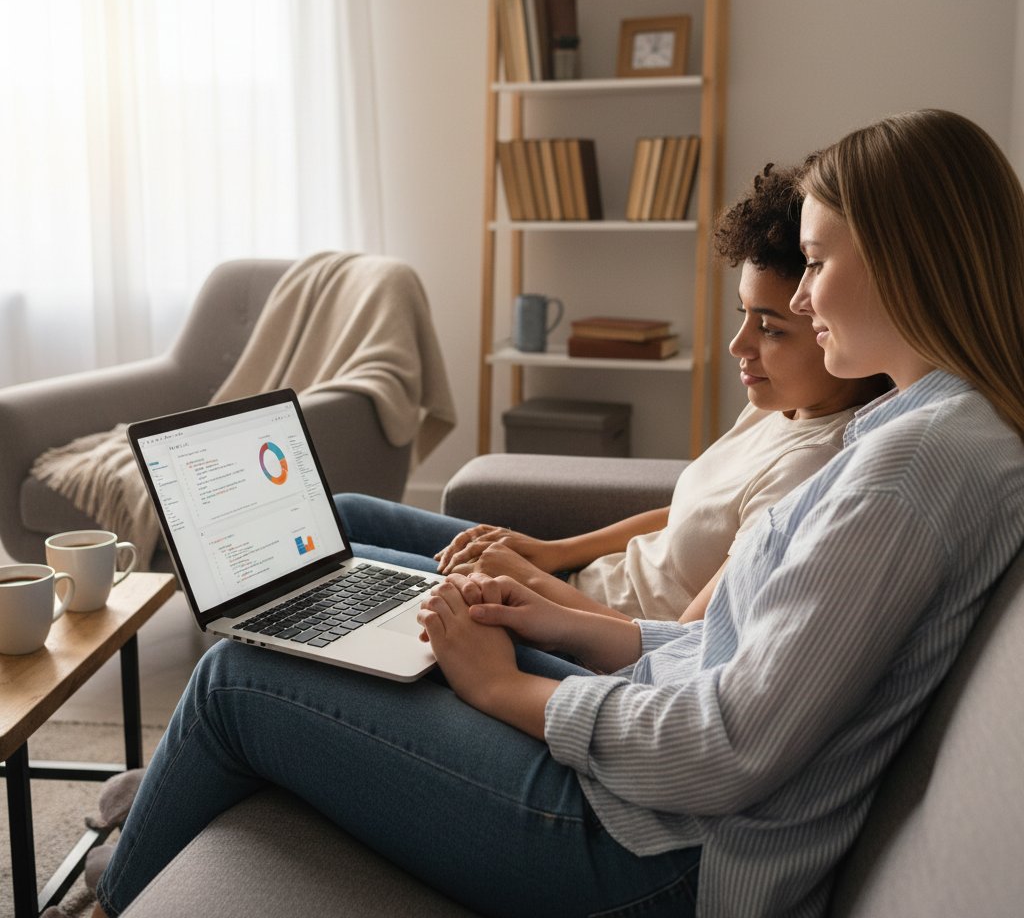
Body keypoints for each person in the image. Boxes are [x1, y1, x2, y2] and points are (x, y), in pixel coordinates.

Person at [94, 109, 1024, 918]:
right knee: (392, 608)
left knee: (237, 683)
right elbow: (732, 656)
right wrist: (561, 623)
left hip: (657, 857)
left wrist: (505, 688)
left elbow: (729, 748)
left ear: (908, 260)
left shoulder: (912, 469)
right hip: (655, 788)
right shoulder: (917, 430)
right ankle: (196, 785)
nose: (804, 292)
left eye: (816, 264)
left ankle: (111, 892)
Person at [333, 163, 887, 623]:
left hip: (561, 628)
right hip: (563, 584)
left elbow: (681, 646)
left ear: (826, 319)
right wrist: (552, 552)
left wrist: (528, 581)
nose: (738, 345)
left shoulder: (809, 469)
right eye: (743, 314)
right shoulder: (782, 405)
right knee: (348, 512)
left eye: (770, 328)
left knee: (335, 571)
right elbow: (687, 514)